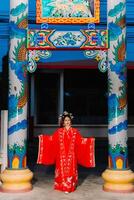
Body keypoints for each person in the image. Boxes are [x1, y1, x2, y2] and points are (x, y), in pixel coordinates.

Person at [37, 111, 95, 193]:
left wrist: (90, 140)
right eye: (65, 120)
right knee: (61, 171)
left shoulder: (75, 131)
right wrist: (43, 138)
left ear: (71, 121)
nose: (67, 122)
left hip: (72, 156)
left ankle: (70, 186)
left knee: (71, 171)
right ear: (63, 122)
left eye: (68, 120)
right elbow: (52, 140)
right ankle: (62, 186)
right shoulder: (59, 131)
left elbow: (81, 141)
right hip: (61, 156)